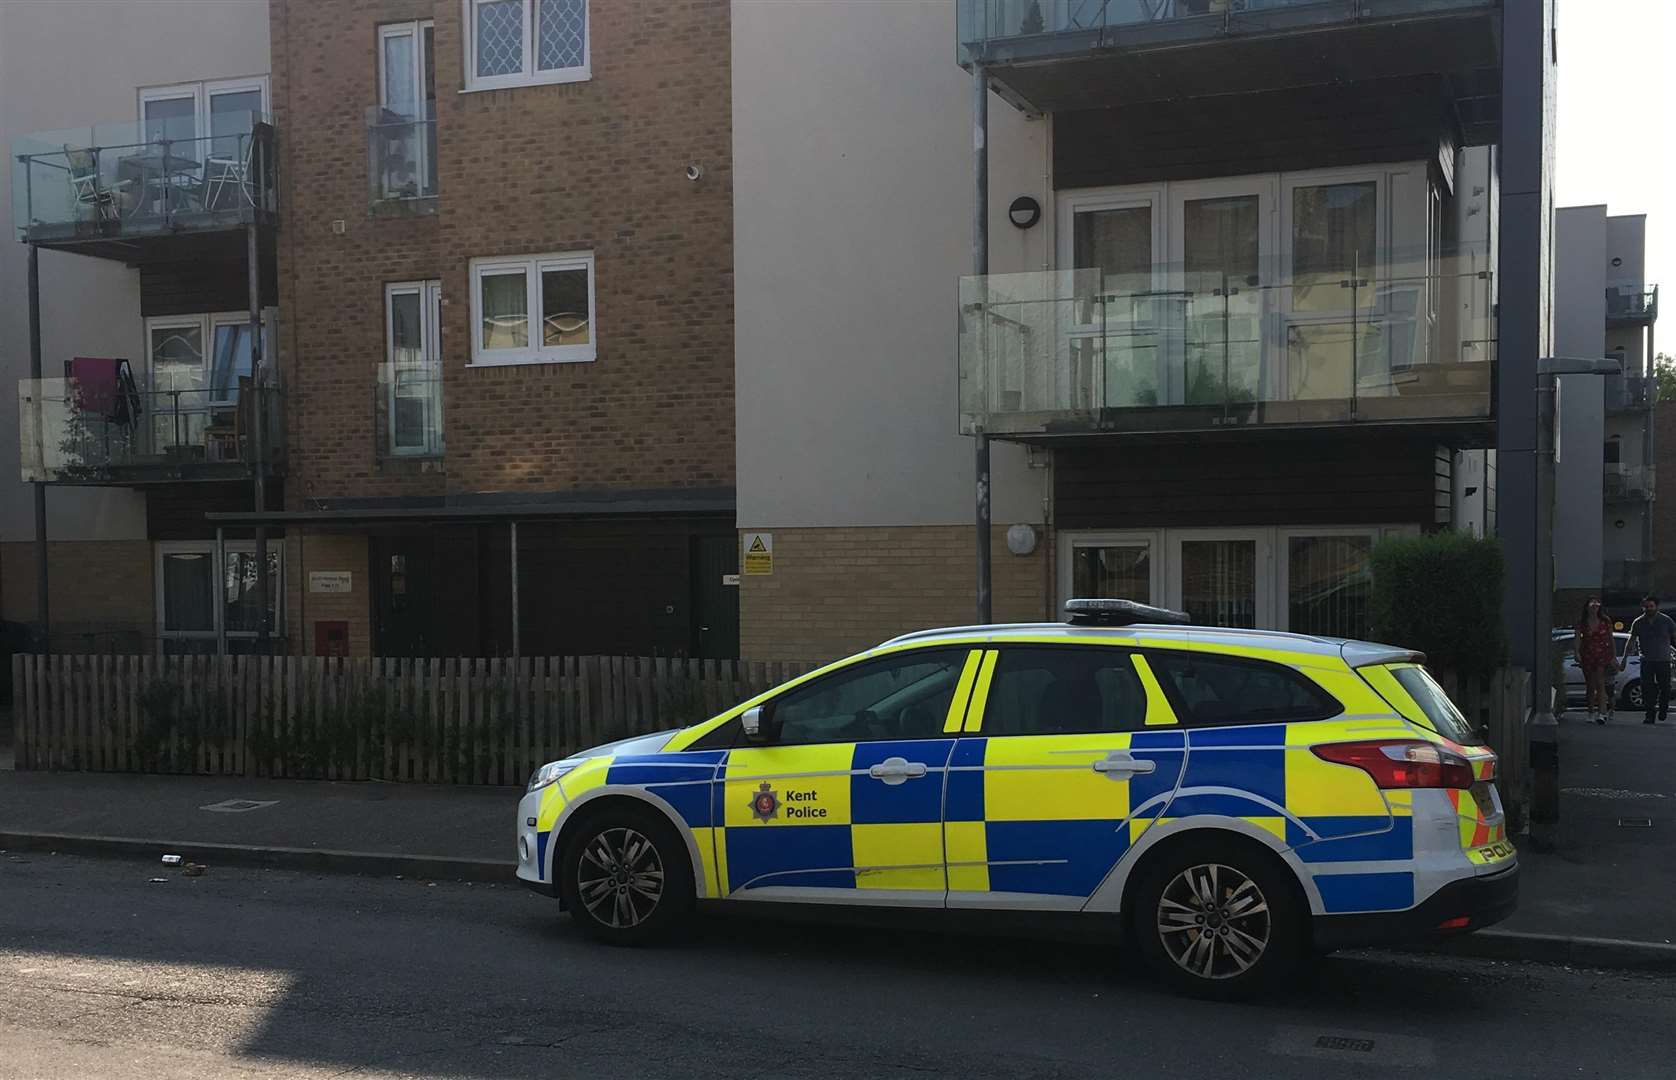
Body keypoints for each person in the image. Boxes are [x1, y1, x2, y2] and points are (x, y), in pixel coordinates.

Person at [1623, 594, 1676, 724]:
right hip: (1646, 660)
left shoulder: (1666, 620)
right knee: (1647, 688)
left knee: (1665, 687)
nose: (1648, 609)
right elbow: (1631, 640)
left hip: (1663, 659)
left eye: (1651, 606)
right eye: (1646, 607)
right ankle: (1649, 714)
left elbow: (1675, 636)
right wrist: (1625, 658)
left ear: (1656, 607)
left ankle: (1663, 708)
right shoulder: (1638, 622)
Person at [1575, 596, 1617, 724]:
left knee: (1600, 683)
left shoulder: (1605, 620)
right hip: (1587, 654)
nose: (1595, 608)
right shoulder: (1582, 622)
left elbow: (1611, 638)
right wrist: (1576, 652)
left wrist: (1613, 655)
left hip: (1602, 654)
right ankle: (1591, 712)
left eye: (1597, 606)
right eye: (1592, 605)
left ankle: (1602, 713)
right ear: (1587, 607)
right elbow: (1577, 638)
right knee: (1590, 684)